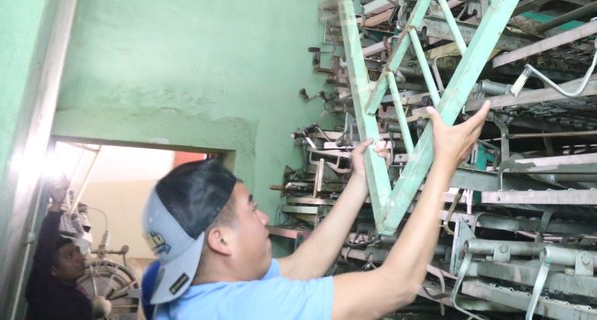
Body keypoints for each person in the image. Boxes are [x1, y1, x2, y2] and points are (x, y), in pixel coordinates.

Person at [141, 102, 490, 319]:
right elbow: (397, 285)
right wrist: (444, 164)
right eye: (252, 209)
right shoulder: (245, 310)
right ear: (220, 239)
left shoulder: (170, 285)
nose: (263, 219)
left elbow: (301, 269)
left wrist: (359, 182)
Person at [25, 234, 92, 320]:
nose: (80, 257)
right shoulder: (54, 300)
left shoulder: (73, 291)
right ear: (53, 270)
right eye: (69, 256)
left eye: (78, 251)